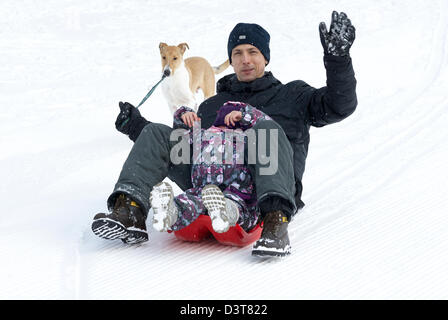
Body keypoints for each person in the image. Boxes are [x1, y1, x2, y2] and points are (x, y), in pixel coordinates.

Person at [91, 11, 357, 257]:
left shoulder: (293, 96)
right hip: (212, 179)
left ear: (266, 57)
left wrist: (338, 61)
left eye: (253, 51)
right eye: (238, 53)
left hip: (264, 185)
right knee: (159, 134)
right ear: (230, 60)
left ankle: (276, 223)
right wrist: (137, 126)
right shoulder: (212, 105)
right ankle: (130, 211)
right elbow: (186, 145)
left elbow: (339, 106)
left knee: (265, 130)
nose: (245, 59)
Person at [149, 101, 270, 235]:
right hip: (203, 191)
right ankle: (169, 213)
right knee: (189, 201)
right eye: (222, 125)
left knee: (237, 207)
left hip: (238, 193)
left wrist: (246, 115)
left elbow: (268, 125)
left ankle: (224, 213)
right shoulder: (203, 135)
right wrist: (183, 115)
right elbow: (180, 137)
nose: (226, 128)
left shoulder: (249, 138)